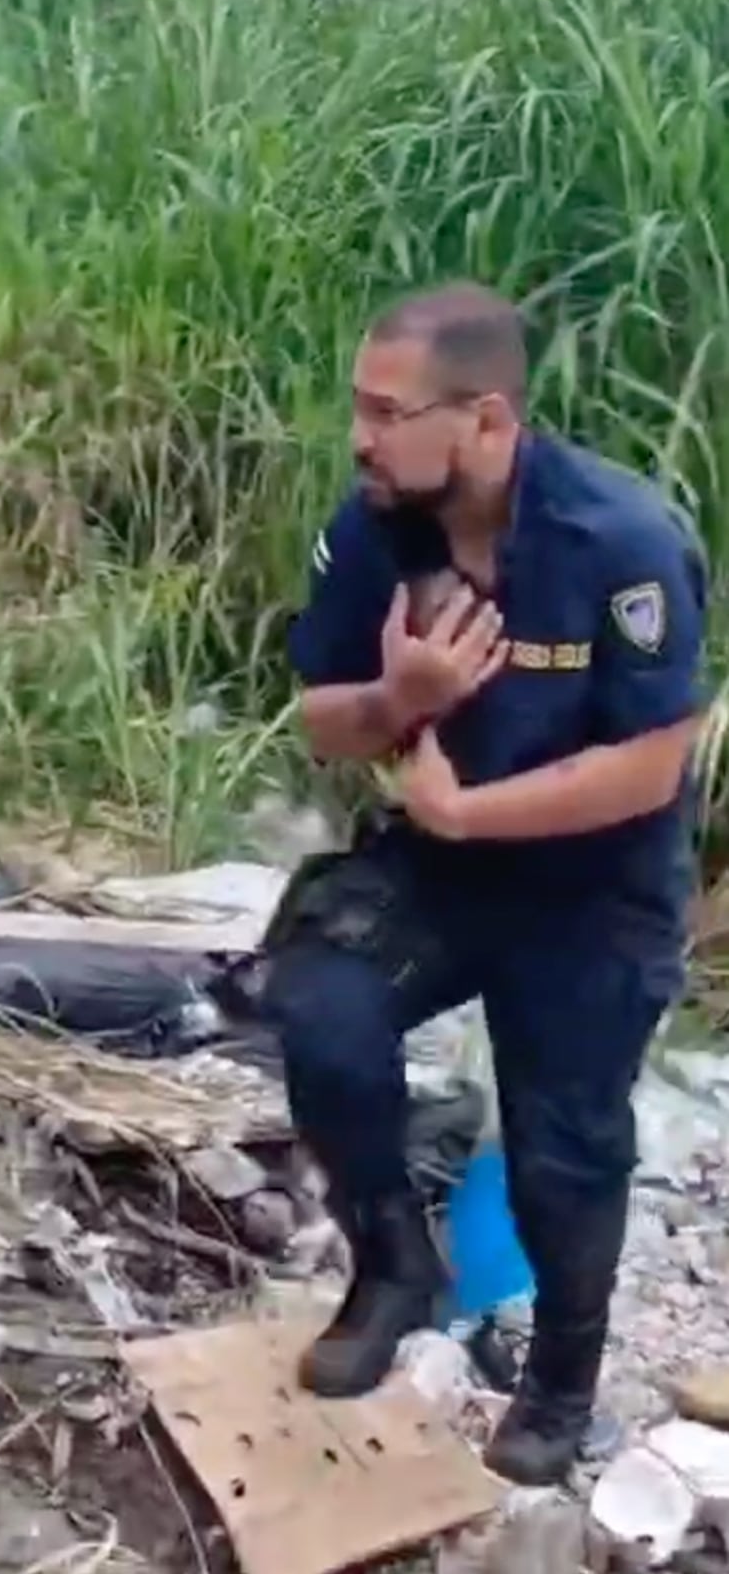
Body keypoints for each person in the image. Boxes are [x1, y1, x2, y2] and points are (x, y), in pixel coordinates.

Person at [261, 282, 708, 1486]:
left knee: (566, 1141)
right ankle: (391, 1264)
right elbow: (321, 719)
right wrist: (398, 700)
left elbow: (651, 765)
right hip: (442, 871)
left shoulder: (618, 543)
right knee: (318, 1006)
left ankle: (560, 1376)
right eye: (356, 405)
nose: (359, 436)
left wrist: (465, 807)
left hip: (595, 884)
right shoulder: (375, 527)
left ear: (487, 419)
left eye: (387, 412)